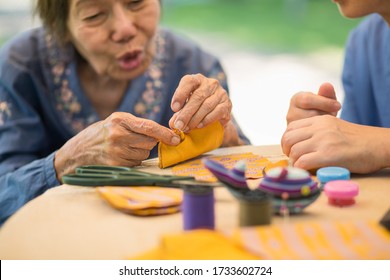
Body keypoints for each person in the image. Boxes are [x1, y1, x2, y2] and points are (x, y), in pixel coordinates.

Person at [0, 0, 250, 226]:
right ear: (60, 27)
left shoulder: (195, 64)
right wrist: (64, 162)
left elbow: (252, 178)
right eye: (94, 15)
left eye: (137, 2)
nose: (125, 29)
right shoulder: (19, 70)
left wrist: (223, 135)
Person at [281, 0, 390, 174]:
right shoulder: (362, 42)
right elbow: (355, 152)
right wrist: (319, 136)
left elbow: (365, 144)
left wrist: (380, 145)